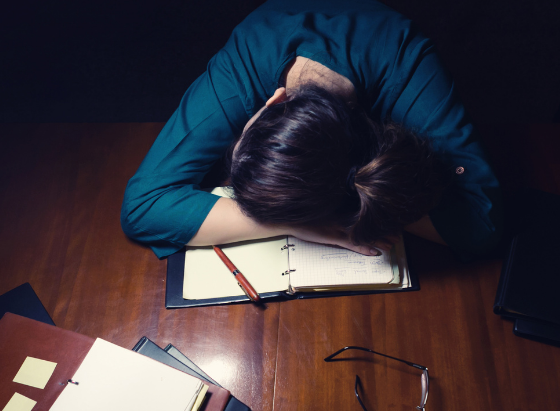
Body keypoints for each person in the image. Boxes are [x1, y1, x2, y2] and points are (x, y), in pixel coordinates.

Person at [121, 0, 502, 261]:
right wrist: (294, 223)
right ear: (272, 101)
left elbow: (483, 225)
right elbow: (143, 207)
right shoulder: (250, 56)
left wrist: (346, 200)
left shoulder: (407, 60)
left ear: (276, 101)